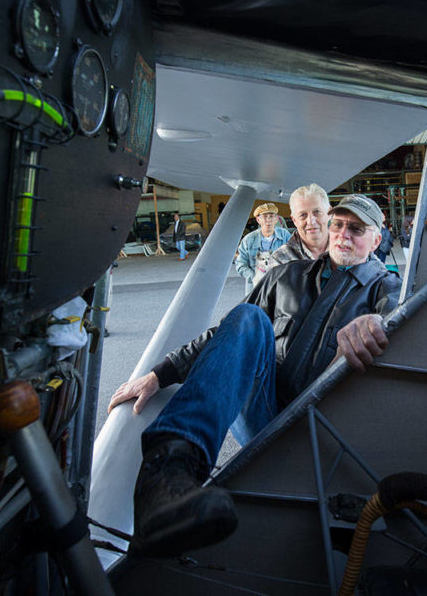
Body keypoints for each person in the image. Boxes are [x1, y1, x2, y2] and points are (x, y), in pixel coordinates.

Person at [108, 194, 400, 557]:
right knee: (249, 319)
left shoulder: (387, 290)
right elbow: (226, 336)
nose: (342, 234)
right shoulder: (285, 276)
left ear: (377, 239)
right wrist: (159, 374)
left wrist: (377, 322)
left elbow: (400, 322)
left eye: (356, 229)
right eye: (337, 224)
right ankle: (168, 477)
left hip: (321, 428)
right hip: (265, 416)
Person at [235, 203, 291, 294]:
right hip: (255, 289)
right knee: (254, 308)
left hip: (279, 287)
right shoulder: (248, 240)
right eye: (264, 216)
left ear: (276, 219)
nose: (268, 220)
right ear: (258, 220)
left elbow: (293, 259)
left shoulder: (285, 236)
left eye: (271, 216)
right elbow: (241, 264)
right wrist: (255, 277)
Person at [269, 183, 330, 267]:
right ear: (294, 220)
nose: (311, 221)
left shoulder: (350, 250)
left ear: (329, 213)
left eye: (317, 212)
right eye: (303, 215)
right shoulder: (280, 260)